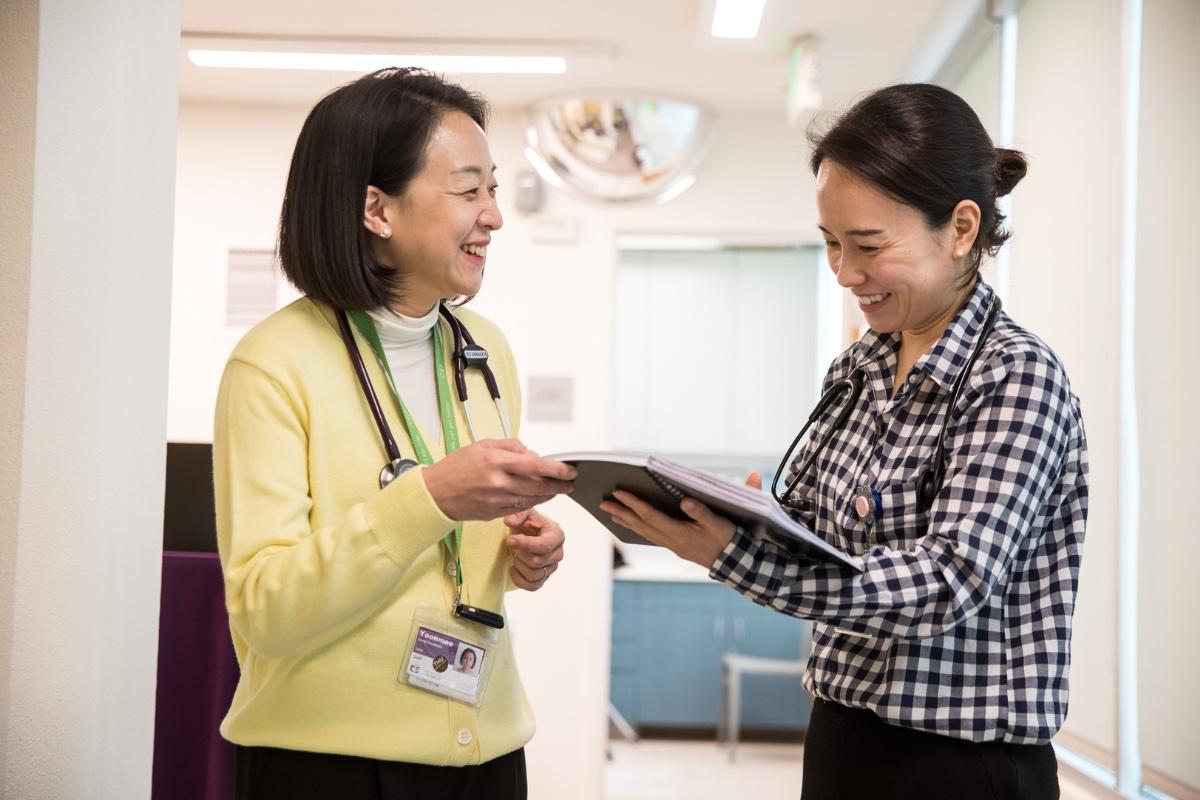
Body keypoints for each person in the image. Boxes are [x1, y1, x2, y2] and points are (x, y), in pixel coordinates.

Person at [601, 83, 1085, 800]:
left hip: (962, 765)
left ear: (960, 228)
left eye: (866, 245)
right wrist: (738, 519)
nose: (844, 273)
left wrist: (733, 556)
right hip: (843, 736)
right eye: (830, 244)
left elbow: (947, 583)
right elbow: (816, 549)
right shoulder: (859, 367)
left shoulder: (1014, 376)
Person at [213, 67, 576, 800]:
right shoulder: (273, 364)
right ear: (377, 209)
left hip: (488, 755)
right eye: (469, 190)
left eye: (494, 189)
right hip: (328, 765)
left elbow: (446, 556)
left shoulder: (484, 350)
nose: (494, 216)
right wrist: (433, 497)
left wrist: (519, 551)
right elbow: (267, 613)